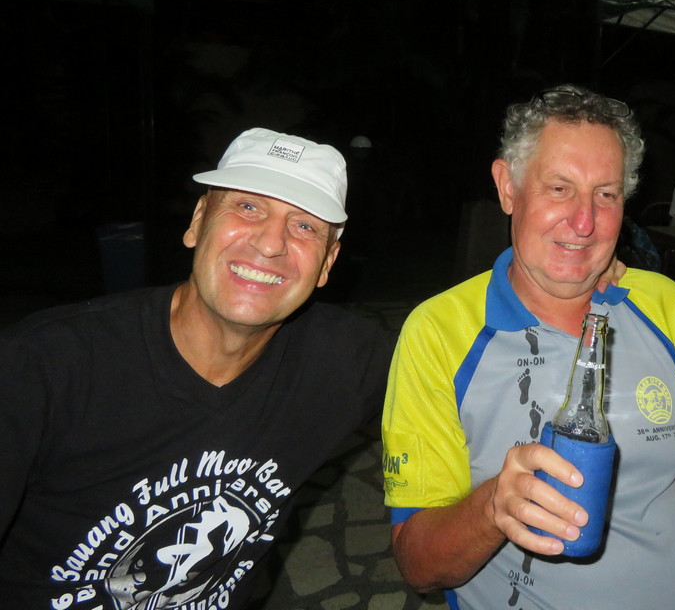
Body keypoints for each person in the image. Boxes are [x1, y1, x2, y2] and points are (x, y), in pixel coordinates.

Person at [381, 85, 675, 610]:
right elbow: (419, 567)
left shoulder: (665, 306)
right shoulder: (438, 333)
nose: (584, 223)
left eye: (606, 194)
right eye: (559, 188)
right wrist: (494, 507)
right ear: (508, 187)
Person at [0, 127, 393, 609]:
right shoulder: (40, 368)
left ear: (328, 262)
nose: (271, 243)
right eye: (248, 207)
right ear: (197, 221)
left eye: (305, 226)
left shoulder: (348, 361)